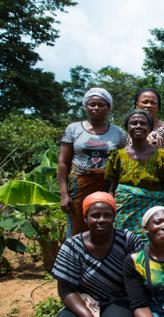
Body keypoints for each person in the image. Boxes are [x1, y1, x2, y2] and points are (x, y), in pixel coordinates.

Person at [49, 192, 142, 317]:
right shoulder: (72, 246)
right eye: (95, 215)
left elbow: (141, 274)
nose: (101, 220)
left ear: (114, 217)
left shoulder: (128, 240)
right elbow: (65, 290)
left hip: (118, 299)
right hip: (86, 300)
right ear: (86, 218)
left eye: (107, 215)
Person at [57, 88, 127, 236]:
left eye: (101, 105)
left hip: (106, 185)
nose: (96, 108)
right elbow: (63, 162)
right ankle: (74, 257)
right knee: (77, 226)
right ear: (86, 106)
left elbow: (122, 163)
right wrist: (64, 194)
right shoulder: (73, 129)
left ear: (109, 107)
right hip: (79, 184)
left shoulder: (118, 133)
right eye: (92, 104)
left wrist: (114, 190)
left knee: (104, 224)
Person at [105, 109, 164, 241]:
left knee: (155, 245)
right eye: (134, 123)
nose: (138, 126)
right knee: (124, 244)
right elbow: (112, 188)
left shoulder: (162, 157)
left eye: (143, 123)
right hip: (124, 213)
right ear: (127, 127)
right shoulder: (118, 156)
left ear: (150, 128)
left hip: (154, 212)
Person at [134, 88, 164, 152]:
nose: (149, 105)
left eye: (153, 103)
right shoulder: (131, 128)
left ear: (158, 107)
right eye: (145, 102)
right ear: (137, 105)